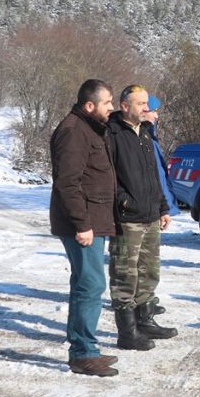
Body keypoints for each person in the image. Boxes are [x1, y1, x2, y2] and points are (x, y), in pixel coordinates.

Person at [50, 79, 119, 377]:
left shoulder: (88, 128)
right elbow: (67, 182)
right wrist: (82, 223)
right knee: (90, 284)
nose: (112, 108)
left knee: (86, 283)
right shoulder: (73, 131)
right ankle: (82, 352)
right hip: (83, 223)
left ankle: (84, 349)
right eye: (108, 103)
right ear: (89, 105)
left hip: (93, 220)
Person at [107, 85, 176, 351]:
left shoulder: (145, 133)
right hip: (128, 217)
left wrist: (163, 207)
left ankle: (145, 321)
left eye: (147, 104)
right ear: (125, 106)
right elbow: (108, 177)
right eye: (141, 104)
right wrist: (123, 201)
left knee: (149, 270)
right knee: (125, 274)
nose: (146, 109)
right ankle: (127, 332)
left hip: (150, 214)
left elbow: (153, 176)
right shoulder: (112, 134)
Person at [140, 93, 177, 317]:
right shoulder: (138, 136)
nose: (157, 114)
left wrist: (165, 207)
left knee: (149, 261)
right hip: (142, 208)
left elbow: (158, 175)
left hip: (155, 205)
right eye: (154, 110)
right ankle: (139, 304)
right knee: (139, 261)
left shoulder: (150, 136)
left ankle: (147, 299)